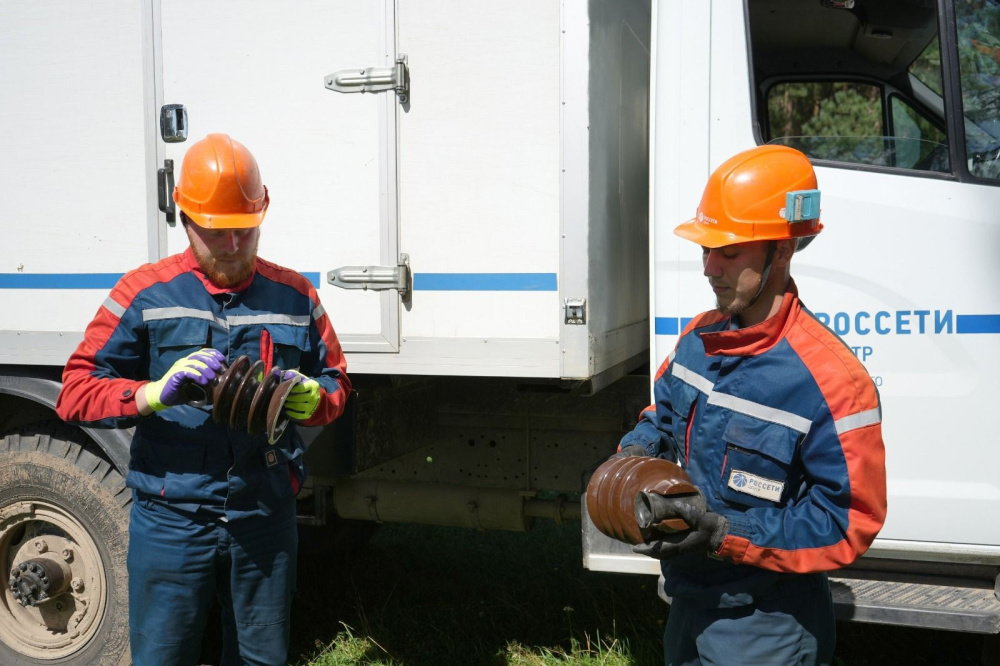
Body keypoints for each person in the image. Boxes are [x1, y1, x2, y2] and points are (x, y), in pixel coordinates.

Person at [56, 133, 351, 666]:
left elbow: (337, 383)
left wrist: (317, 397)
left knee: (262, 659)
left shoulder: (296, 296)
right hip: (172, 518)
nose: (234, 246)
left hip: (264, 514)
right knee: (163, 656)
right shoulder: (144, 293)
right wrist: (151, 394)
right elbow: (75, 391)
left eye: (245, 230)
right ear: (185, 220)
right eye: (217, 232)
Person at [614, 145, 886, 665]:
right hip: (688, 604)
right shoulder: (699, 337)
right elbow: (663, 417)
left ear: (781, 251)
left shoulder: (832, 381)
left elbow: (847, 522)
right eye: (706, 250)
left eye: (730, 251)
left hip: (768, 626)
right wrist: (632, 455)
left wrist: (723, 533)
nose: (709, 268)